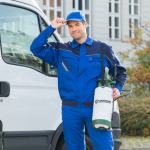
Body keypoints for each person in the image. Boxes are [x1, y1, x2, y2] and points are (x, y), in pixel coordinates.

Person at [30, 11, 126, 150]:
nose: (74, 29)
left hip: (96, 107)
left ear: (85, 25)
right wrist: (51, 27)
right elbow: (36, 48)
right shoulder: (62, 50)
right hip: (71, 109)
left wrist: (118, 87)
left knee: (104, 146)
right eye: (70, 26)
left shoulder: (102, 48)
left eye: (77, 24)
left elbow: (120, 71)